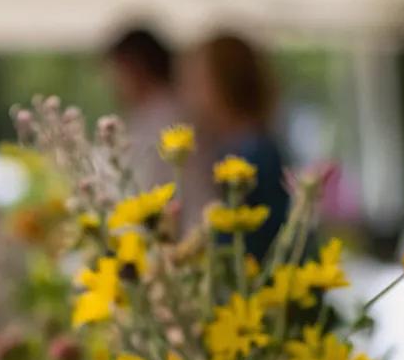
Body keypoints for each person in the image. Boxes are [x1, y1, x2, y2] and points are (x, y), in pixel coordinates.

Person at [182, 33, 288, 257]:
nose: (189, 93)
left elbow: (249, 241)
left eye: (198, 80)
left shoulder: (255, 153)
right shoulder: (230, 146)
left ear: (224, 83)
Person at [104, 27, 182, 189]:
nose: (112, 84)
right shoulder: (149, 112)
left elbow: (150, 181)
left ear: (136, 68)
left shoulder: (168, 115)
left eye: (117, 72)